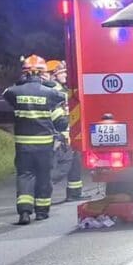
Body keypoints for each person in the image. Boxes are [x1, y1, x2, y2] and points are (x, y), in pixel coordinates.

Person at [3, 55, 69, 225]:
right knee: (43, 177)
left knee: (25, 176)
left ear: (24, 73)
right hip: (45, 145)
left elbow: (6, 93)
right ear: (42, 73)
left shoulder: (14, 92)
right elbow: (61, 115)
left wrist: (21, 84)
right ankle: (42, 212)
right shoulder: (50, 93)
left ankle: (24, 212)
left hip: (23, 145)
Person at [45, 59, 84, 201]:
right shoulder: (55, 90)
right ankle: (41, 188)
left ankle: (74, 193)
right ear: (53, 75)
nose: (66, 75)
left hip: (70, 133)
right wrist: (65, 127)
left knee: (75, 163)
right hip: (62, 134)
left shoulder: (61, 88)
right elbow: (56, 114)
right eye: (62, 72)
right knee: (62, 168)